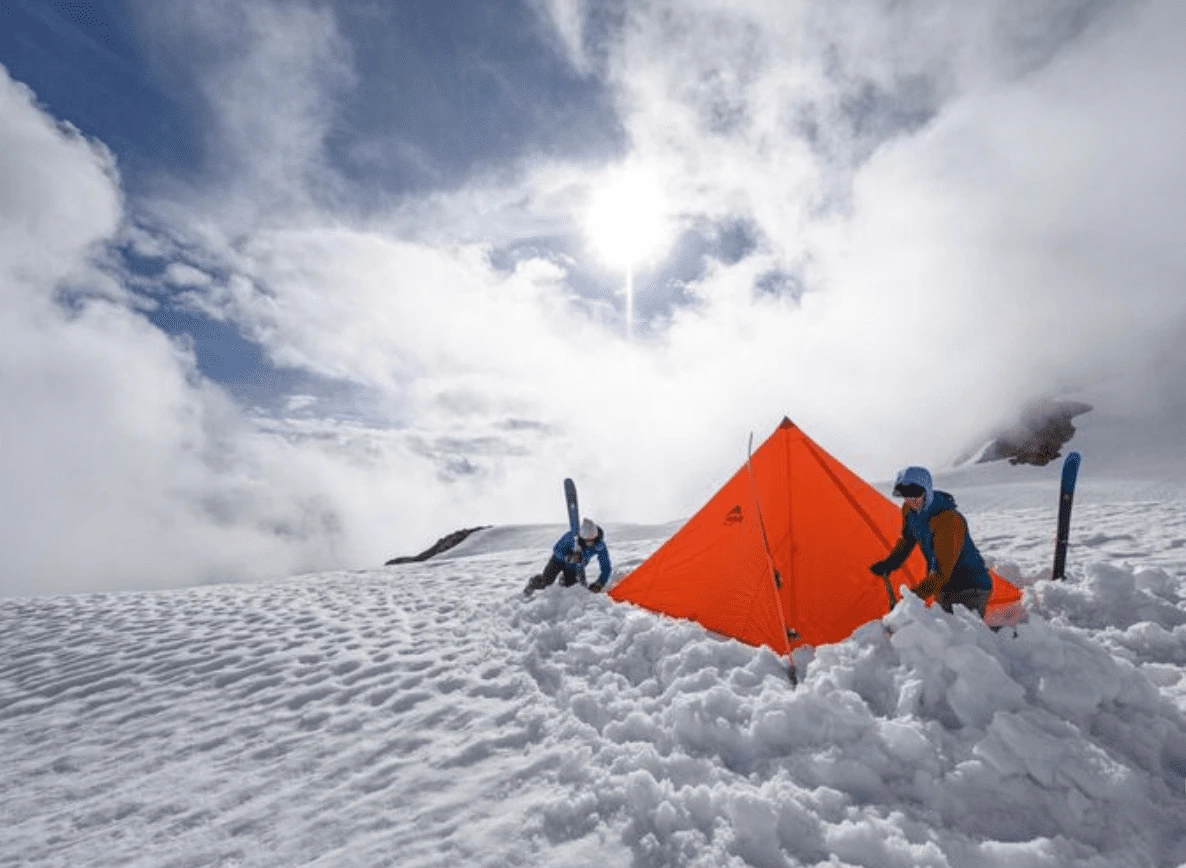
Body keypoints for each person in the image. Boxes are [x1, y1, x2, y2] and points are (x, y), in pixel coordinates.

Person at [869, 466, 993, 618]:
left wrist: (910, 599)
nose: (910, 499)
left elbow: (941, 572)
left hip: (969, 586)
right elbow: (908, 539)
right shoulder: (910, 511)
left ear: (926, 490)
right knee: (944, 634)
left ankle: (1006, 639)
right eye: (905, 494)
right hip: (943, 586)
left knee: (962, 636)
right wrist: (890, 563)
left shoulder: (947, 520)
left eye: (915, 493)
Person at [525, 518, 612, 594]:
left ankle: (564, 580)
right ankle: (533, 583)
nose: (590, 543)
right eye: (587, 540)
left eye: (592, 540)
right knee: (546, 583)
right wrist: (568, 557)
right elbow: (556, 549)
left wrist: (600, 583)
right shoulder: (571, 536)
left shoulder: (600, 546)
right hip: (558, 561)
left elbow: (606, 567)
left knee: (575, 590)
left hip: (575, 566)